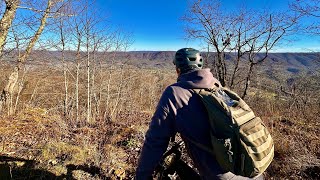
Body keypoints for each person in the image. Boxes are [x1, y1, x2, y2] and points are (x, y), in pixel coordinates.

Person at [135, 48, 264, 180]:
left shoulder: (174, 93)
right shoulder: (216, 85)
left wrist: (141, 176)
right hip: (253, 168)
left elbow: (155, 141)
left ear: (178, 69)